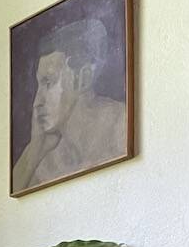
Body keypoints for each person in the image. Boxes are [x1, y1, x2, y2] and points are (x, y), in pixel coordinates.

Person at [12, 17, 126, 192]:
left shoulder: (122, 125)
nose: (37, 102)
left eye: (48, 83)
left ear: (83, 78)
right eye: (39, 85)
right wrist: (34, 151)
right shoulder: (48, 154)